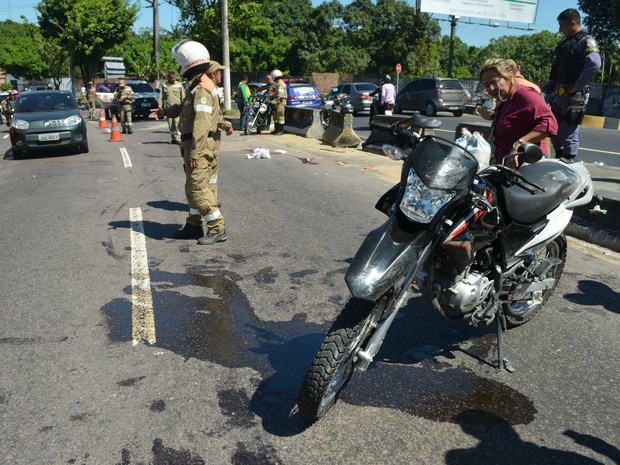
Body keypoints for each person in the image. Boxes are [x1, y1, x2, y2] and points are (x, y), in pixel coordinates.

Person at [150, 39, 227, 245]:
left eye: (179, 62)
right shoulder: (197, 86)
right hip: (194, 144)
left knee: (197, 188)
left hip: (197, 145)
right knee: (195, 186)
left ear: (188, 61)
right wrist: (165, 111)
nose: (177, 67)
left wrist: (195, 152)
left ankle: (217, 227)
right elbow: (185, 110)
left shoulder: (201, 89)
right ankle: (194, 225)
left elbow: (201, 124)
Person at [543, 8, 601, 160]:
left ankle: (569, 160)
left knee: (568, 130)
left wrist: (577, 85)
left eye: (562, 25)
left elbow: (594, 63)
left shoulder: (586, 41)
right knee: (554, 128)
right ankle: (559, 157)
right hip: (559, 91)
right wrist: (548, 87)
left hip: (574, 95)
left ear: (572, 23)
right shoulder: (567, 41)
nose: (560, 29)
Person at [479, 58, 558, 166]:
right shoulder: (504, 99)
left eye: (494, 82)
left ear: (510, 75)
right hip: (505, 168)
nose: (491, 88)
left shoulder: (525, 94)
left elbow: (549, 123)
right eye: (487, 85)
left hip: (527, 169)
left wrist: (519, 144)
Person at [206, 60, 234, 215]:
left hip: (215, 136)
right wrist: (227, 125)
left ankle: (212, 199)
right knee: (209, 170)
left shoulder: (214, 89)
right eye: (219, 72)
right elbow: (214, 117)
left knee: (213, 173)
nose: (221, 74)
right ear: (212, 74)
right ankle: (209, 202)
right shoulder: (207, 90)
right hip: (210, 137)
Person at [158, 71, 185, 144]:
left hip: (177, 108)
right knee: (170, 124)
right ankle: (173, 138)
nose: (173, 79)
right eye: (172, 78)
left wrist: (184, 106)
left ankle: (178, 138)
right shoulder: (164, 85)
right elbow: (161, 96)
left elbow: (183, 96)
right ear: (168, 78)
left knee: (177, 123)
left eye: (174, 78)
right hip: (168, 108)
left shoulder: (179, 85)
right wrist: (160, 105)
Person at [269, 69, 287, 135]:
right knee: (275, 117)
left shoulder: (281, 84)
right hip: (277, 102)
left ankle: (280, 131)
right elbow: (274, 92)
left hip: (281, 102)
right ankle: (276, 130)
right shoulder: (278, 84)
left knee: (280, 116)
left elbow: (280, 96)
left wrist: (273, 101)